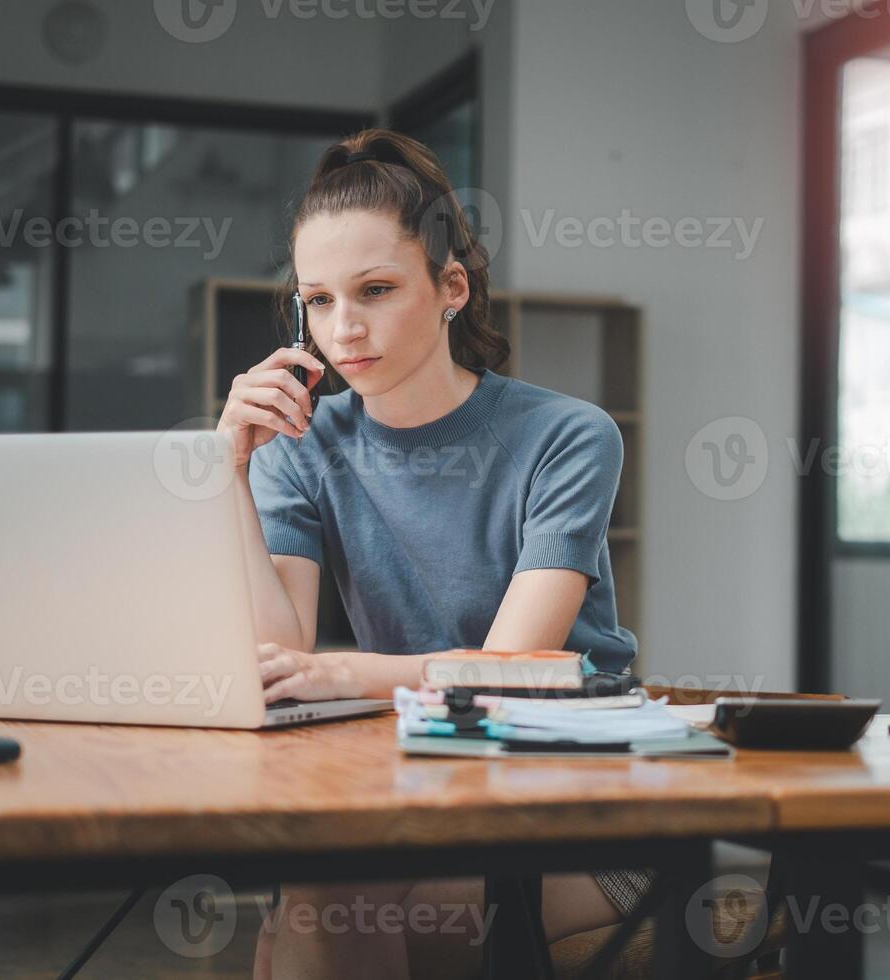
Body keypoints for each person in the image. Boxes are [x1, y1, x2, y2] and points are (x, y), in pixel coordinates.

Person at [215, 128, 644, 979]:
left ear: (452, 287)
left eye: (375, 290)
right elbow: (280, 652)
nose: (344, 329)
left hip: (581, 804)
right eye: (320, 300)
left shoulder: (566, 436)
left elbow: (514, 668)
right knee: (317, 901)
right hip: (415, 788)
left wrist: (351, 673)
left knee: (315, 911)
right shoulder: (302, 444)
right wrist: (227, 472)